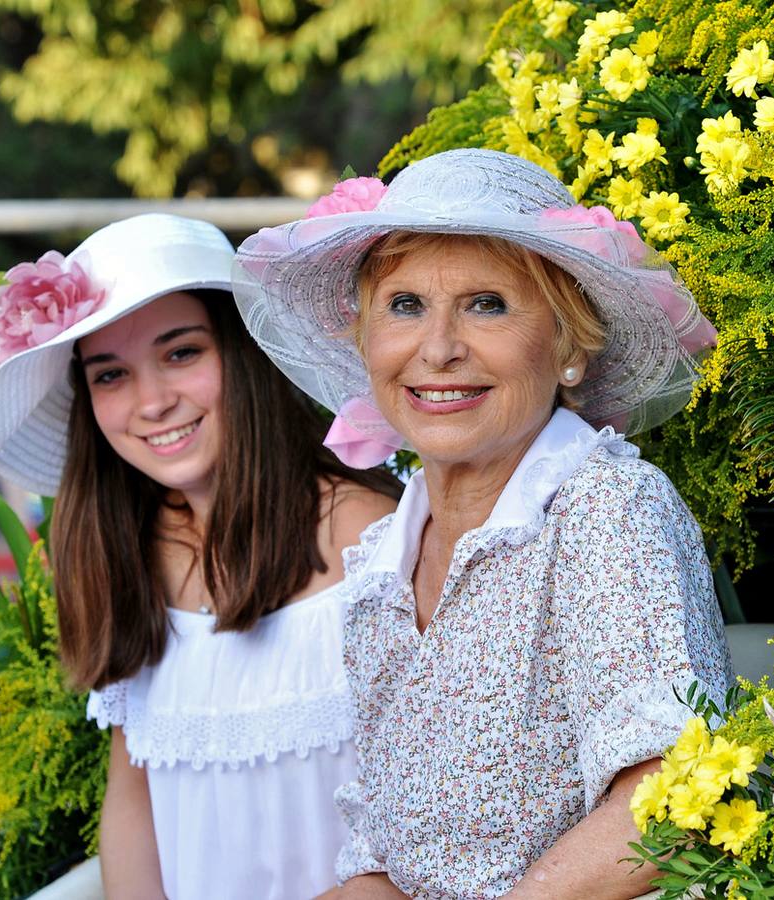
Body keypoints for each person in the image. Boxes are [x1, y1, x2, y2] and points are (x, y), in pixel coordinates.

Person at [234, 149, 732, 899]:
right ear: (364, 338)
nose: (437, 349)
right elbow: (386, 852)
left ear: (567, 345)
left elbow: (672, 801)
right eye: (404, 305)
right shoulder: (380, 561)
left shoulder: (604, 507)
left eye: (486, 304)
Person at [0, 214, 399, 900]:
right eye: (110, 375)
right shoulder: (123, 553)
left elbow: (440, 804)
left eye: (182, 353)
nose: (154, 402)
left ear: (244, 354)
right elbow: (133, 800)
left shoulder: (370, 536)